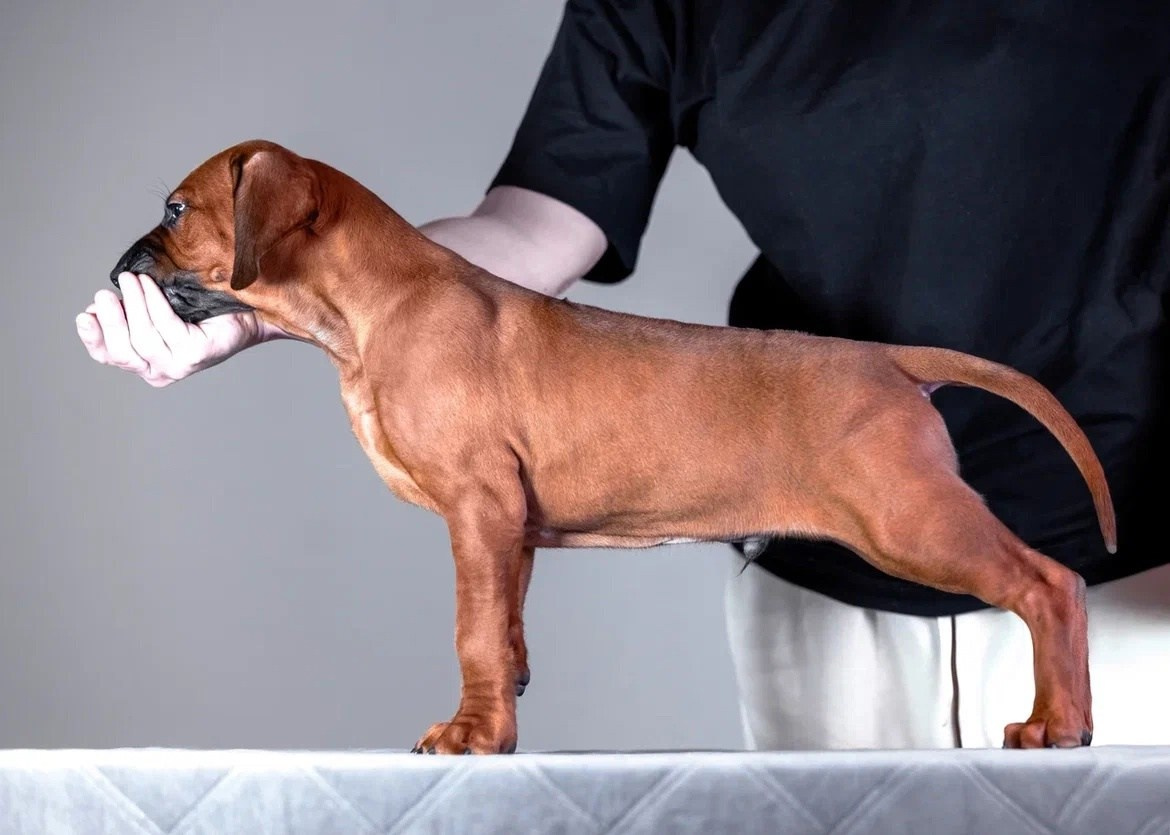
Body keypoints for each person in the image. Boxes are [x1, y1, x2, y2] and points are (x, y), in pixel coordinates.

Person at [78, 1, 1169, 749]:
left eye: (182, 217)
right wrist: (257, 311)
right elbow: (529, 227)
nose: (168, 230)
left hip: (1134, 561)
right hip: (817, 581)